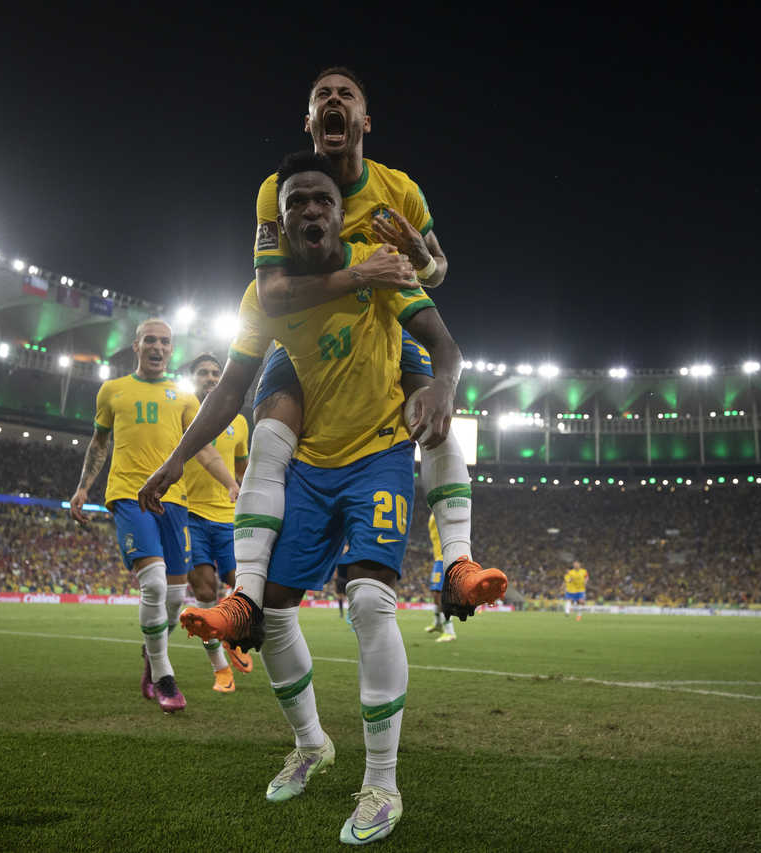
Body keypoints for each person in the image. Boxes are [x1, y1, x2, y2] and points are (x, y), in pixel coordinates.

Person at [139, 151, 503, 845]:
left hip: (378, 456)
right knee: (271, 617)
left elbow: (443, 340)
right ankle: (311, 742)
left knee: (369, 599)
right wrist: (176, 459)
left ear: (343, 213)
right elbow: (228, 389)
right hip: (312, 466)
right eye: (296, 202)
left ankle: (382, 784)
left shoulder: (381, 264)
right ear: (277, 223)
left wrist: (441, 387)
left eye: (322, 201)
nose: (310, 209)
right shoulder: (265, 297)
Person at [223, 66, 482, 629]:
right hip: (298, 341)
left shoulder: (400, 191)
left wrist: (418, 253)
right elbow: (271, 292)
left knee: (433, 409)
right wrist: (362, 275)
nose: (333, 101)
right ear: (310, 121)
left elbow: (435, 272)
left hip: (380, 328)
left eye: (346, 95)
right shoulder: (278, 190)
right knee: (267, 435)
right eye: (322, 96)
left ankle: (457, 560)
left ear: (364, 120)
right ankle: (245, 592)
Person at [69, 318, 240, 714]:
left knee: (175, 597)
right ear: (137, 345)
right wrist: (83, 487)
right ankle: (164, 675)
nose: (158, 347)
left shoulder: (183, 398)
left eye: (164, 341)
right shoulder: (113, 390)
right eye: (150, 340)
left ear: (171, 349)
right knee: (155, 585)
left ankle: (151, 653)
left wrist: (231, 483)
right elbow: (99, 444)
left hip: (175, 501)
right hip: (129, 495)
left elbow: (205, 450)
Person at [181, 352, 253, 691]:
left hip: (227, 519)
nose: (210, 377)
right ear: (191, 378)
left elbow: (242, 468)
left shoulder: (238, 422)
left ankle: (232, 637)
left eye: (215, 373)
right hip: (189, 514)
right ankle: (220, 669)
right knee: (205, 591)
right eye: (202, 372)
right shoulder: (180, 413)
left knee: (242, 588)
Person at [423, 517, 455, 642]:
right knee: (435, 593)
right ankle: (438, 624)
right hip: (438, 559)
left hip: (444, 558)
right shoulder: (433, 515)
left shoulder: (440, 513)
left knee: (439, 594)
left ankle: (449, 631)